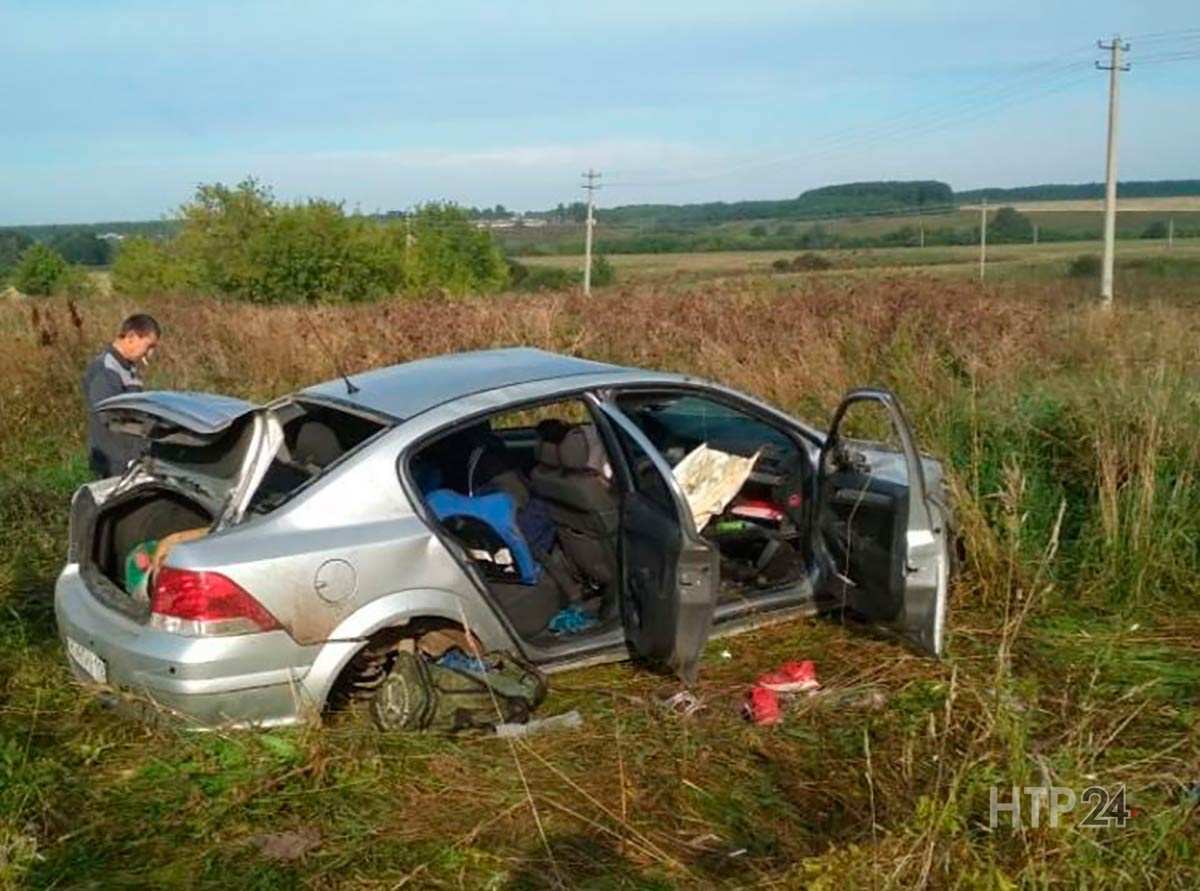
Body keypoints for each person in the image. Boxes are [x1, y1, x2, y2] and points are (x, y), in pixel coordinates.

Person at [82, 313, 161, 478]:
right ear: (131, 337)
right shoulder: (106, 369)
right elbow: (109, 417)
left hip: (130, 458)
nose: (150, 354)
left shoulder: (130, 368)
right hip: (113, 461)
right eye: (149, 346)